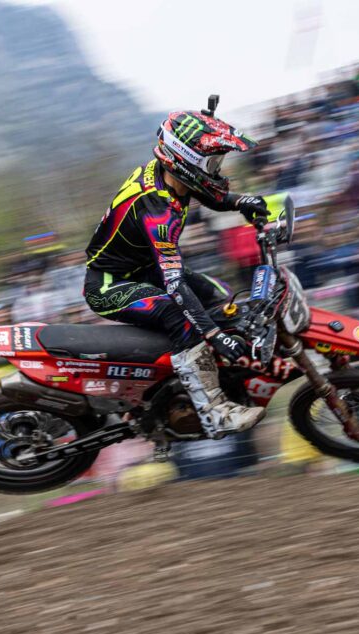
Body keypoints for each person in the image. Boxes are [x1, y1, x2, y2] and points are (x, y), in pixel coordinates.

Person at [82, 103, 270, 437]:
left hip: (142, 269)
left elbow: (206, 192)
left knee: (217, 292)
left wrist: (240, 201)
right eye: (212, 163)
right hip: (110, 285)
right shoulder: (157, 211)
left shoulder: (168, 173)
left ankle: (209, 372)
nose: (217, 169)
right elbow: (175, 284)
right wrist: (215, 335)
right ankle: (214, 412)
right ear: (185, 160)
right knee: (178, 313)